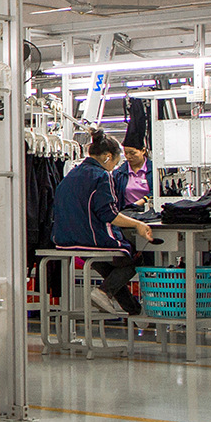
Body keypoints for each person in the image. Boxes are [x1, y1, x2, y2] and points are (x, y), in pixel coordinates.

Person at [52, 131, 156, 316]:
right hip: (90, 238)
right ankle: (103, 293)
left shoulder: (71, 175)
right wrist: (137, 225)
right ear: (108, 156)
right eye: (116, 162)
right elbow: (109, 214)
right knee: (135, 258)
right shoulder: (101, 176)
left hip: (64, 238)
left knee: (110, 270)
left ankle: (134, 310)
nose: (115, 166)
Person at [111, 144, 152, 208]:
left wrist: (142, 201)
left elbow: (158, 192)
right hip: (126, 211)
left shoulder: (154, 171)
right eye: (126, 153)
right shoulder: (119, 173)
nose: (128, 156)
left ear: (143, 151)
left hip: (151, 210)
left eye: (132, 153)